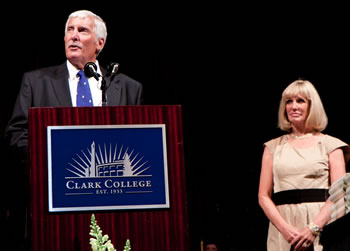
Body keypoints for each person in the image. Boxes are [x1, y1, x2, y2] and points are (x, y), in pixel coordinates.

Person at [3, 10, 143, 250]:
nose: (73, 36)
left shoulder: (128, 87)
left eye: (82, 30)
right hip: (52, 207)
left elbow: (139, 144)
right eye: (70, 30)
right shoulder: (36, 82)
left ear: (100, 43)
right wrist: (57, 158)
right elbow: (16, 135)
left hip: (113, 207)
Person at [258, 79, 350, 251]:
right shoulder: (272, 147)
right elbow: (263, 195)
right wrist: (285, 230)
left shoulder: (332, 145)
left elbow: (341, 194)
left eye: (300, 101)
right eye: (289, 101)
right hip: (283, 228)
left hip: (323, 228)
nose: (293, 106)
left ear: (311, 106)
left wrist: (313, 228)